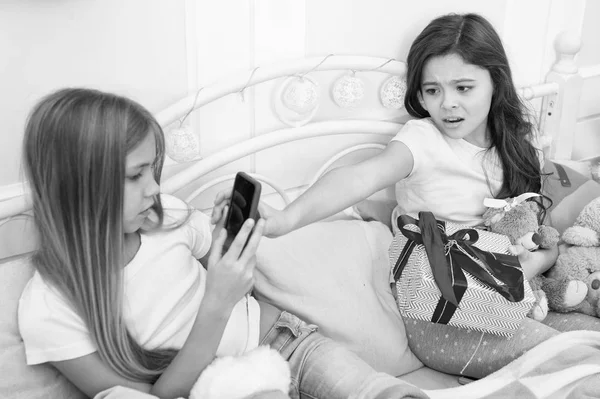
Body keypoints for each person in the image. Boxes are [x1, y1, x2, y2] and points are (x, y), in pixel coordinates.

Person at [212, 13, 600, 380]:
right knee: (575, 362)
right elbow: (360, 176)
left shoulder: (515, 145)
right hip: (443, 310)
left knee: (587, 342)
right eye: (433, 90)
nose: (447, 103)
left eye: (464, 87)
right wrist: (285, 219)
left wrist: (545, 256)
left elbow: (535, 228)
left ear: (496, 82)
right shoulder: (423, 140)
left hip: (514, 294)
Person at [17, 88, 429, 399]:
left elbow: (237, 282)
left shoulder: (170, 218)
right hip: (210, 387)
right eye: (136, 175)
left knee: (384, 393)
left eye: (153, 171)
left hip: (282, 339)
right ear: (77, 185)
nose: (155, 188)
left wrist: (225, 242)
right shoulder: (49, 309)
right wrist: (216, 304)